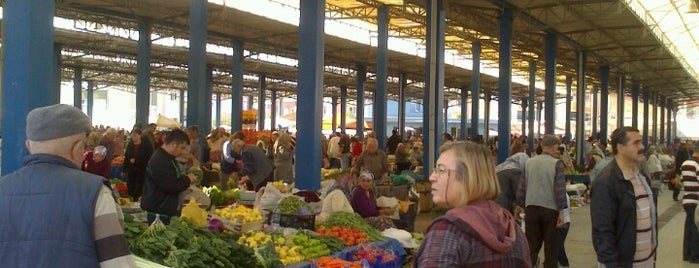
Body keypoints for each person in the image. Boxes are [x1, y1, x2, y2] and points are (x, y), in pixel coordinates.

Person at [0, 104, 136, 267]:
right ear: (77, 147)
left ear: (28, 145)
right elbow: (117, 263)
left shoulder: (3, 187)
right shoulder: (96, 192)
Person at [414, 141, 531, 267]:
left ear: (467, 177)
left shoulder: (449, 231)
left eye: (441, 170)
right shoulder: (513, 230)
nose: (432, 177)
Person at [590, 127, 657, 267]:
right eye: (636, 143)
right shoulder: (606, 183)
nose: (642, 147)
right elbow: (602, 231)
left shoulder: (642, 178)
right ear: (620, 147)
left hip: (646, 261)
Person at [515, 134, 566, 268]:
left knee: (531, 246)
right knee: (551, 247)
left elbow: (522, 186)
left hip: (531, 208)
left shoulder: (529, 162)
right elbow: (559, 190)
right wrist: (562, 212)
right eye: (557, 147)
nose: (558, 150)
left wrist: (520, 205)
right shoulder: (557, 164)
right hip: (550, 210)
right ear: (554, 146)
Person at [141, 129, 199, 225]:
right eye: (181, 148)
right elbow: (171, 185)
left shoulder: (168, 158)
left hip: (164, 209)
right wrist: (187, 179)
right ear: (173, 144)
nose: (182, 152)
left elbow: (171, 179)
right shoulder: (160, 160)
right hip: (159, 211)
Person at [679, 143, 699, 263]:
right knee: (695, 228)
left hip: (687, 199)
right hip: (695, 200)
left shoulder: (685, 164)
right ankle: (695, 256)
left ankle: (686, 254)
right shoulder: (696, 165)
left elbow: (682, 180)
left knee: (689, 227)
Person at [124, 129, 154, 201]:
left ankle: (137, 199)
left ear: (140, 136)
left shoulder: (146, 145)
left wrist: (136, 160)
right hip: (131, 169)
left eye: (135, 135)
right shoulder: (130, 145)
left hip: (141, 169)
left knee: (139, 185)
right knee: (131, 184)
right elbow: (126, 156)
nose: (133, 137)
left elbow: (148, 157)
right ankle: (130, 198)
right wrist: (125, 168)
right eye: (132, 135)